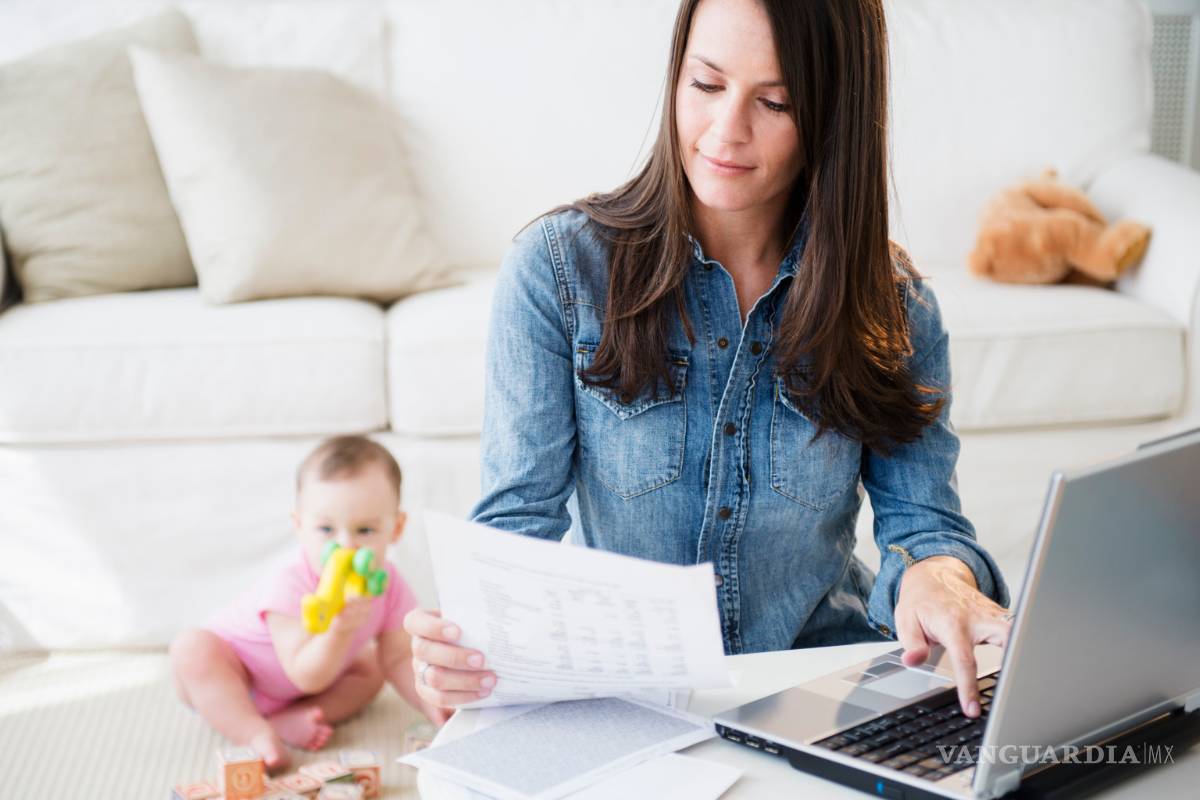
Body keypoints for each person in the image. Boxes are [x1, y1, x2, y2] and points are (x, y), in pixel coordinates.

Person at [405, 0, 1011, 724]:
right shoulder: (559, 270)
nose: (727, 132)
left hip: (822, 685)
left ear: (831, 115)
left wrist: (937, 578)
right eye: (706, 85)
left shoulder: (896, 306)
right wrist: (467, 653)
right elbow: (515, 527)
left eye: (776, 101)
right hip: (628, 703)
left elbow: (925, 524)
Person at [169, 435, 441, 770]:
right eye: (326, 529)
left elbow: (399, 657)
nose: (346, 546)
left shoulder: (390, 585)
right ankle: (254, 733)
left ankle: (289, 718)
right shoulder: (290, 581)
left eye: (365, 530)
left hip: (303, 690)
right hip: (236, 679)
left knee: (372, 669)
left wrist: (433, 706)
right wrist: (340, 630)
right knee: (191, 648)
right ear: (299, 526)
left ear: (395, 528)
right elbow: (304, 675)